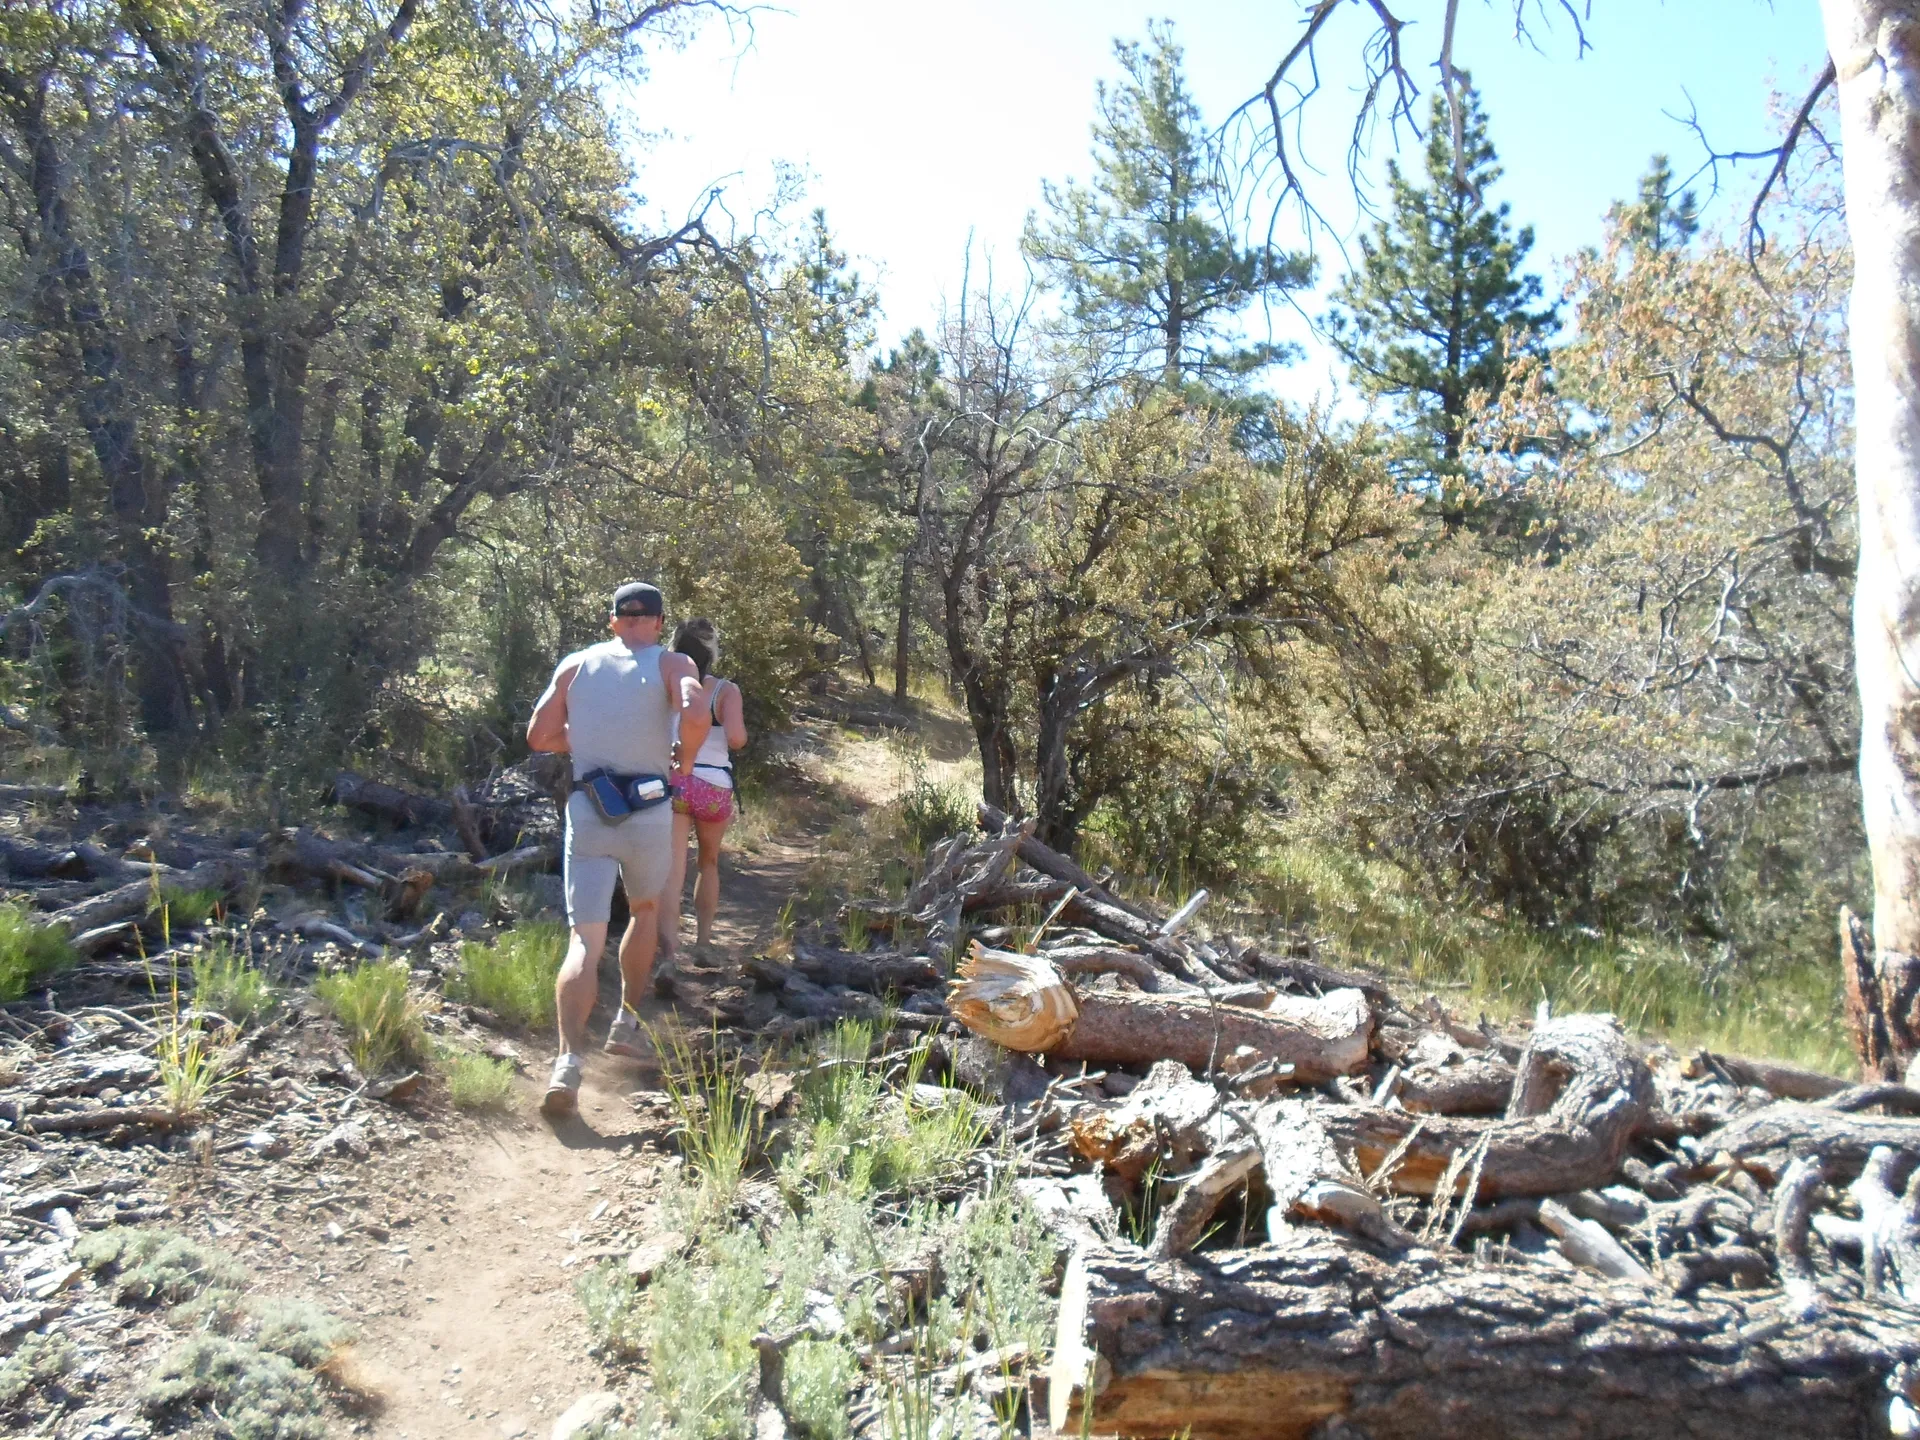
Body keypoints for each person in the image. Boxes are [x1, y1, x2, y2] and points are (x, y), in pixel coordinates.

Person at [525, 581, 710, 1118]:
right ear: (657, 621)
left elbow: (539, 735)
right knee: (645, 910)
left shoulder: (577, 664)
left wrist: (581, 740)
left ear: (613, 621)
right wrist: (685, 759)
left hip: (589, 806)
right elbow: (695, 712)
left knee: (583, 940)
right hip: (648, 810)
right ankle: (625, 1020)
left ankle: (566, 1063)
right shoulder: (673, 664)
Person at [657, 618, 748, 974]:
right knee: (707, 864)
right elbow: (737, 738)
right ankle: (704, 942)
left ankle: (667, 954)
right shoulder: (725, 691)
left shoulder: (667, 685)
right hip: (713, 787)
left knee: (672, 868)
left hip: (675, 780)